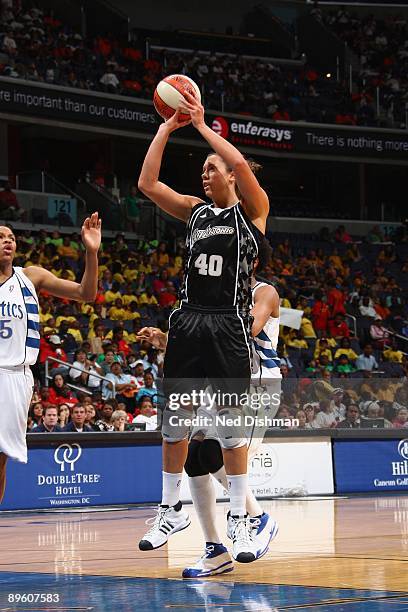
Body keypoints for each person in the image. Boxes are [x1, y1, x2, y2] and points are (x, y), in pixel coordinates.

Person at [137, 91, 269, 562]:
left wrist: (200, 125)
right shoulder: (194, 210)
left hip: (228, 325)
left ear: (231, 175)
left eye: (212, 168)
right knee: (175, 423)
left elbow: (243, 167)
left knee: (231, 427)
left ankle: (242, 518)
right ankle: (170, 506)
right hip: (188, 320)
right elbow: (148, 183)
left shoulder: (252, 213)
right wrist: (166, 128)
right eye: (204, 169)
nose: (204, 173)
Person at [137, 241, 280, 576]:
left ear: (252, 259)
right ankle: (215, 550)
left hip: (258, 385)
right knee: (195, 456)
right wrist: (168, 337)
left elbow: (247, 331)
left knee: (215, 452)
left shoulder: (264, 292)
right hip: (218, 380)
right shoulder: (212, 295)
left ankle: (259, 519)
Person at [0, 213, 101, 503]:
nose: (7, 241)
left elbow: (86, 293)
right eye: (1, 237)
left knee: (1, 460)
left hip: (15, 377)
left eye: (11, 238)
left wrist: (91, 252)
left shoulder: (30, 276)